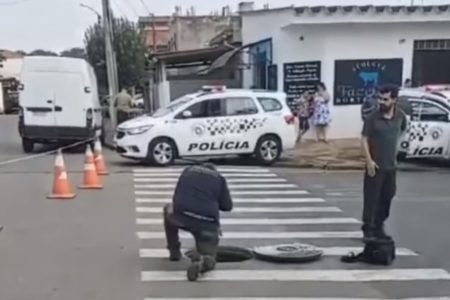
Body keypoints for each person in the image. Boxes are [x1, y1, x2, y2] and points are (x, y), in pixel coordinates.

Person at [162, 163, 233, 281]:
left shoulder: (187, 171)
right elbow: (227, 206)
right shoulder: (219, 179)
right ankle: (202, 264)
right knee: (210, 257)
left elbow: (177, 195)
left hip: (181, 217)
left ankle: (174, 251)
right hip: (206, 223)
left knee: (167, 209)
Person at [361, 84, 407, 241]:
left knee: (388, 196)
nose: (381, 102)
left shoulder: (400, 116)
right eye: (379, 98)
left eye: (385, 99)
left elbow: (402, 131)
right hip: (375, 165)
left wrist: (395, 148)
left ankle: (379, 225)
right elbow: (364, 139)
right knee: (372, 198)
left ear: (394, 99)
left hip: (391, 165)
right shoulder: (372, 118)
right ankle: (368, 228)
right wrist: (369, 161)